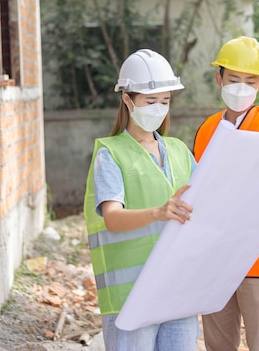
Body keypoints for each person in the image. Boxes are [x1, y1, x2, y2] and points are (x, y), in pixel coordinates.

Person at [83, 49, 200, 351]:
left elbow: (208, 203)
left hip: (178, 289)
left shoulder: (178, 150)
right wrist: (160, 212)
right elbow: (112, 217)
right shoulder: (111, 153)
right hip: (131, 297)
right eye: (151, 101)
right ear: (127, 99)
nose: (159, 108)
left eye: (165, 101)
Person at [193, 36, 259, 351]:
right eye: (233, 79)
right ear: (220, 79)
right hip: (215, 258)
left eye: (248, 80)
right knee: (218, 344)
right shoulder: (207, 130)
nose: (240, 87)